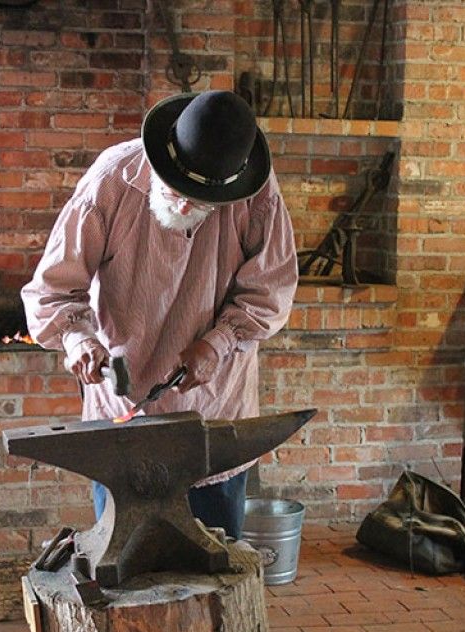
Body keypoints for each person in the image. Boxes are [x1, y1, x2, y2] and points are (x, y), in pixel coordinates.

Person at [21, 90, 298, 540]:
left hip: (212, 416)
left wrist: (219, 343)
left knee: (215, 564)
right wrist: (78, 338)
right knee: (122, 561)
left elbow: (271, 290)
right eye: (176, 191)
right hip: (123, 412)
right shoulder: (111, 181)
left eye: (202, 201)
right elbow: (52, 289)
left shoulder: (255, 192)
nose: (185, 207)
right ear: (161, 161)